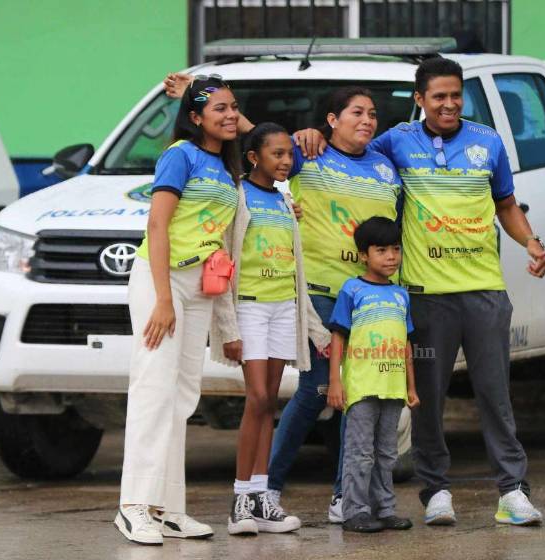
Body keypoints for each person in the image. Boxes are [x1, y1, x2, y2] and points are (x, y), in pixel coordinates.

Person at [297, 57, 545, 526]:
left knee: (495, 395)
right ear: (420, 101)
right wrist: (306, 135)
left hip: (484, 291)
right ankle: (436, 491)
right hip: (424, 296)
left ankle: (512, 491)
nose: (449, 104)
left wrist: (531, 241)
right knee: (428, 398)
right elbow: (345, 147)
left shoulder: (488, 141)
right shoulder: (395, 141)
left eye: (456, 95)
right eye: (439, 97)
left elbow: (507, 204)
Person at [164, 75, 402, 522]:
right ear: (331, 121)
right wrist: (196, 96)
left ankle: (296, 498)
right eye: (357, 112)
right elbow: (261, 145)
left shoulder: (370, 170)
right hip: (286, 298)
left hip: (335, 302)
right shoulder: (281, 171)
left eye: (372, 114)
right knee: (287, 394)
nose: (367, 120)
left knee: (310, 397)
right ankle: (256, 492)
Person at [116, 74, 242, 545]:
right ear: (195, 118)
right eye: (218, 109)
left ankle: (167, 508)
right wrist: (164, 299)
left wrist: (205, 90)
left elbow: (252, 134)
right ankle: (133, 506)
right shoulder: (180, 155)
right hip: (161, 281)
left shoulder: (225, 165)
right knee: (153, 388)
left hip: (201, 289)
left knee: (183, 395)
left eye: (233, 107)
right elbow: (157, 223)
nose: (230, 115)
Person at [208, 123, 330, 535]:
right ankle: (240, 499)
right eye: (276, 154)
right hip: (249, 309)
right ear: (253, 157)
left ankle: (262, 499)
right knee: (256, 398)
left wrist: (316, 330)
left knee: (270, 402)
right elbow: (222, 259)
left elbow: (297, 272)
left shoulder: (284, 200)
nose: (285, 162)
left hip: (284, 309)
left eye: (289, 155)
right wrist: (227, 326)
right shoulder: (236, 196)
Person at [327, 217, 419, 533]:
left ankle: (385, 509)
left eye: (395, 249)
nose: (391, 256)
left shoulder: (401, 295)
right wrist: (335, 382)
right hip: (362, 387)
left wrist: (411, 387)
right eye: (381, 250)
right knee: (360, 453)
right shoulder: (352, 290)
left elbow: (406, 344)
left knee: (387, 453)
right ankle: (355, 512)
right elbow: (338, 338)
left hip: (393, 388)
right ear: (364, 255)